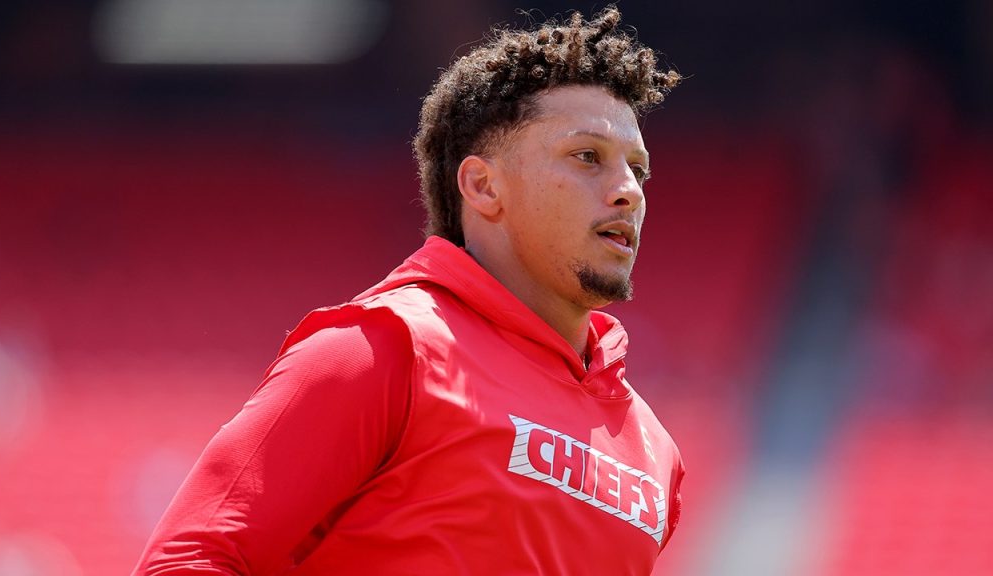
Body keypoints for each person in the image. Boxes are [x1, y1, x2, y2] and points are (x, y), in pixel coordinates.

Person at [133, 7, 683, 575]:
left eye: (638, 170)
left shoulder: (653, 448)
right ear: (483, 186)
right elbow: (188, 559)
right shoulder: (379, 351)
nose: (628, 191)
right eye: (587, 156)